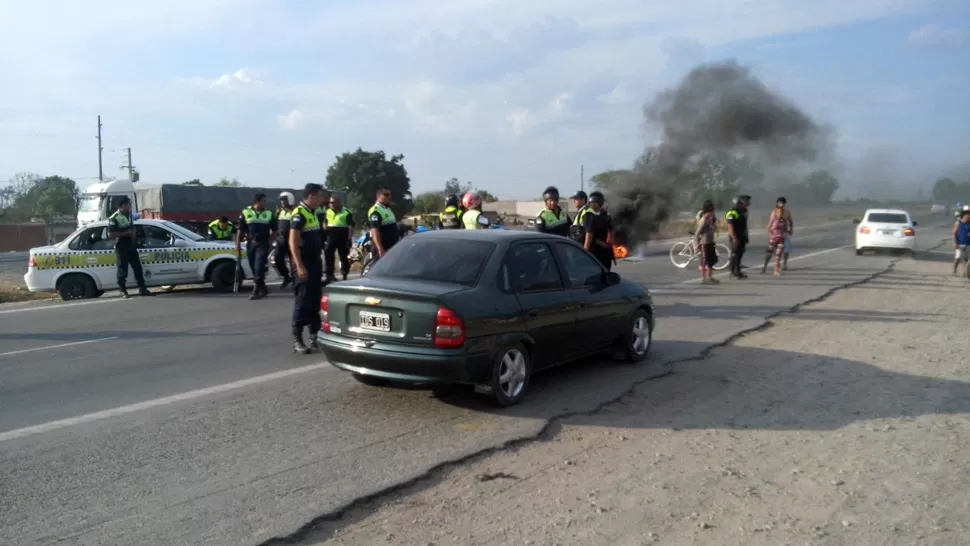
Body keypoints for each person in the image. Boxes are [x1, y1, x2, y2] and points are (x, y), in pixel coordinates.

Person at [288, 183, 327, 354]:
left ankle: (314, 336)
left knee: (314, 300)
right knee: (302, 301)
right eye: (320, 195)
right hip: (304, 264)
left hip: (315, 263)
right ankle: (297, 339)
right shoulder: (299, 214)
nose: (322, 199)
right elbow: (293, 242)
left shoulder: (313, 213)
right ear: (310, 196)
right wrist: (299, 266)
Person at [108, 196, 153, 298]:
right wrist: (126, 233)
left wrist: (133, 234)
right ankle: (122, 290)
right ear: (122, 205)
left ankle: (142, 288)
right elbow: (110, 235)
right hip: (121, 246)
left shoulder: (129, 215)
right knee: (122, 269)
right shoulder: (114, 218)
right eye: (128, 204)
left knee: (137, 267)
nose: (130, 206)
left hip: (131, 245)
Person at [236, 192, 275, 299]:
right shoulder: (246, 212)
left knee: (259, 266)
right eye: (264, 201)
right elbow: (241, 230)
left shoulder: (269, 213)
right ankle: (263, 289)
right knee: (254, 267)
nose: (265, 203)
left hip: (263, 243)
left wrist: (271, 240)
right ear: (257, 201)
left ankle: (256, 290)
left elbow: (275, 229)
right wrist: (237, 245)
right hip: (250, 243)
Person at [324, 193, 355, 283]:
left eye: (333, 202)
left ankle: (344, 274)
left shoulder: (346, 212)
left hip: (343, 237)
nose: (331, 204)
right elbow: (325, 221)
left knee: (343, 257)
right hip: (331, 236)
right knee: (329, 256)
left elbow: (351, 226)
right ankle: (329, 276)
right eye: (330, 203)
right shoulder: (328, 211)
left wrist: (349, 239)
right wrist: (325, 227)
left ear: (339, 202)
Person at [582, 191, 615, 270]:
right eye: (590, 202)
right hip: (601, 251)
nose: (590, 204)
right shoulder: (604, 215)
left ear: (599, 203)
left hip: (597, 253)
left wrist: (585, 252)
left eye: (593, 202)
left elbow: (589, 235)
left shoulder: (590, 215)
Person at [368, 186, 400, 258]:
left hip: (391, 247)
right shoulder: (376, 210)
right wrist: (380, 248)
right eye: (386, 195)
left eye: (390, 194)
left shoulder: (387, 209)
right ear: (378, 195)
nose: (389, 197)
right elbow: (375, 231)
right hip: (383, 248)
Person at [273, 192, 296, 289]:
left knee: (293, 261)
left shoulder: (295, 211)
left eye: (284, 200)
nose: (282, 202)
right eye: (281, 200)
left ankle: (295, 280)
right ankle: (286, 277)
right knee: (277, 258)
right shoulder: (278, 212)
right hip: (281, 240)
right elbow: (275, 225)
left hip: (292, 239)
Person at [762, 197, 790, 276]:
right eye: (778, 212)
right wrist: (772, 235)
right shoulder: (773, 218)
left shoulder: (784, 220)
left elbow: (786, 228)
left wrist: (788, 231)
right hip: (773, 239)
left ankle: (776, 270)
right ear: (775, 212)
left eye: (781, 212)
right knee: (769, 254)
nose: (780, 213)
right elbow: (768, 227)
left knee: (778, 256)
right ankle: (765, 267)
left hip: (781, 239)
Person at [725, 195, 751, 279]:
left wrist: (746, 235)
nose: (748, 202)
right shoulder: (733, 212)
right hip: (735, 236)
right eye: (746, 201)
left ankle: (738, 271)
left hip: (742, 235)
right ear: (741, 202)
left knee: (740, 254)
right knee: (735, 254)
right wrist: (734, 237)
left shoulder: (743, 211)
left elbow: (744, 225)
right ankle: (733, 272)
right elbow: (730, 226)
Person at [694, 200, 719, 284]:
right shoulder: (704, 219)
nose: (714, 211)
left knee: (712, 260)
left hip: (710, 242)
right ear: (709, 210)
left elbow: (713, 228)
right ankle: (703, 279)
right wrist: (696, 245)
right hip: (704, 243)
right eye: (713, 209)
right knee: (705, 261)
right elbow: (697, 234)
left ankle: (710, 277)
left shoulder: (710, 219)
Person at [953, 209, 970, 276]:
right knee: (958, 258)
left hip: (968, 244)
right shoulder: (958, 223)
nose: (969, 216)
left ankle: (964, 273)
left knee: (965, 259)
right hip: (960, 244)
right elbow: (954, 233)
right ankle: (954, 269)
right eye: (968, 215)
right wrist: (955, 242)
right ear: (964, 215)